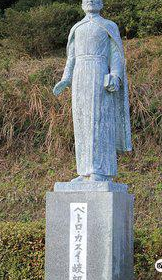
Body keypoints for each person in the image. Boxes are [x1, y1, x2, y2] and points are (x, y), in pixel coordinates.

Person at [53, 0, 132, 182]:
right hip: (80, 78)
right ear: (82, 4)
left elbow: (116, 56)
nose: (90, 1)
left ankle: (100, 170)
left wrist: (115, 75)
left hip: (99, 75)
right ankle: (84, 170)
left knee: (99, 121)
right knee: (81, 123)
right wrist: (66, 79)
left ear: (101, 3)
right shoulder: (77, 28)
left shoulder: (108, 26)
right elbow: (71, 57)